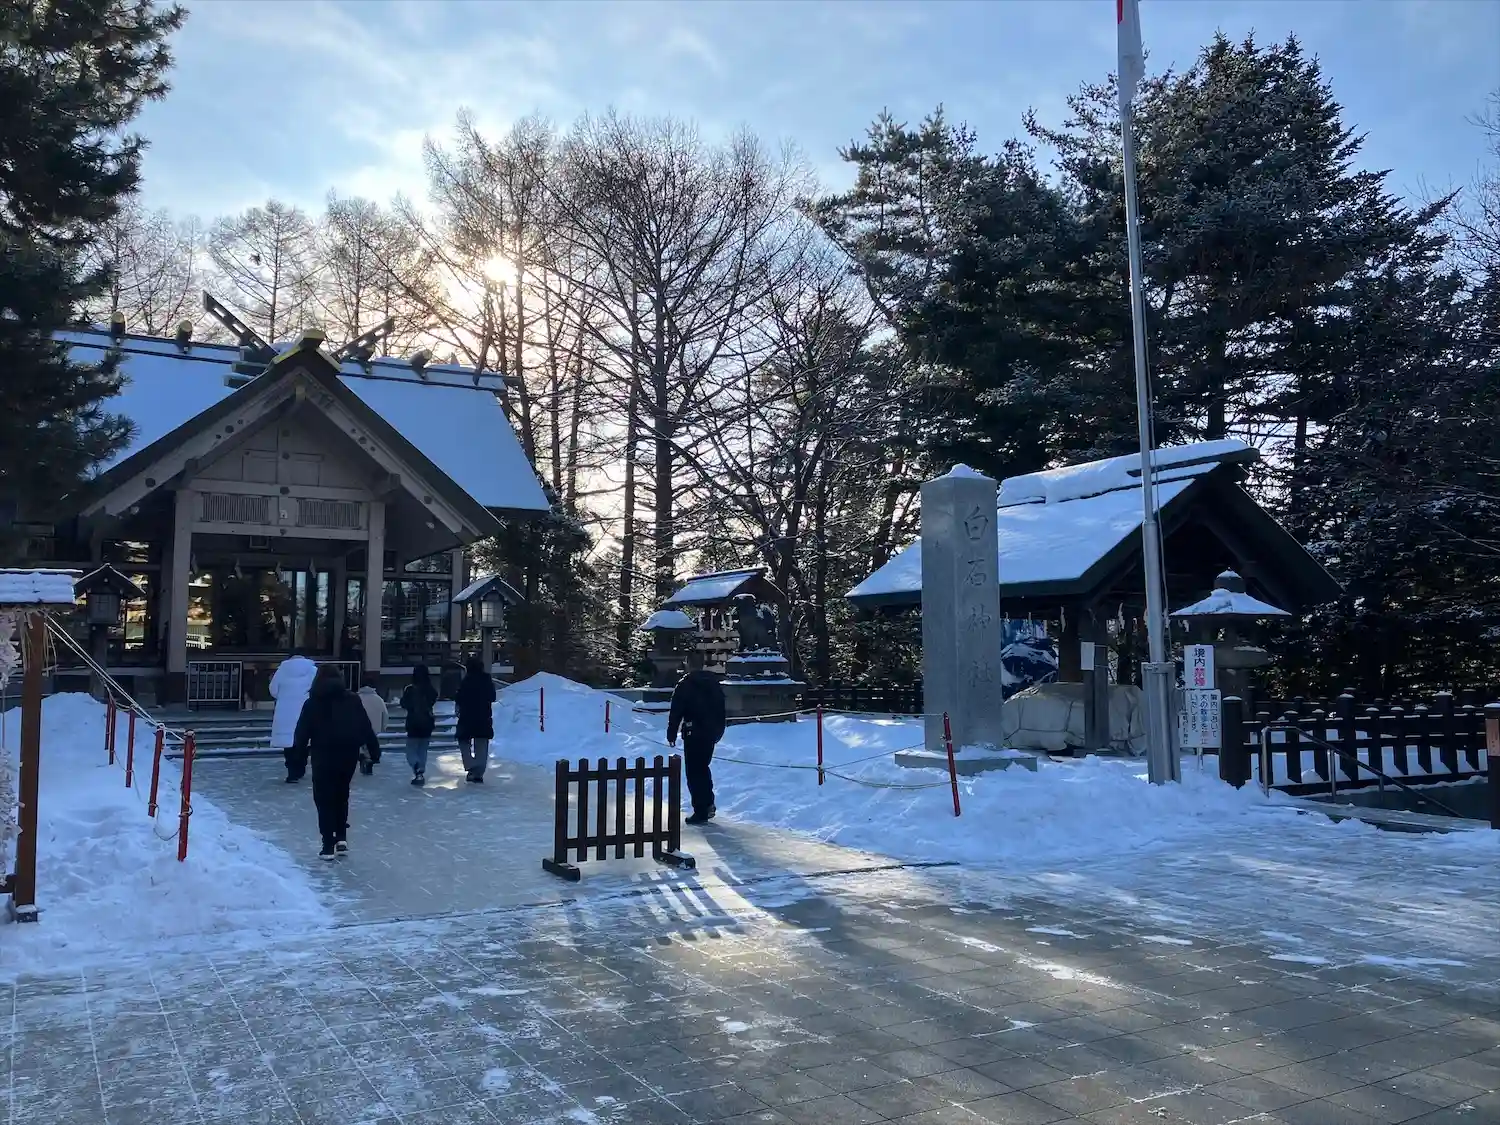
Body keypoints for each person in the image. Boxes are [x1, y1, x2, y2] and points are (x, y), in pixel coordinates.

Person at [291, 664, 380, 859]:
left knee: (324, 798)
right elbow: (365, 726)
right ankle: (341, 837)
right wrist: (374, 750)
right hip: (348, 753)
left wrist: (298, 758)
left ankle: (327, 844)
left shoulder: (313, 703)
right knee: (341, 794)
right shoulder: (352, 699)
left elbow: (302, 732)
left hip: (323, 755)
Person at [666, 650, 727, 825]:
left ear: (688, 663)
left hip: (693, 732)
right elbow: (721, 709)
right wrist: (718, 731)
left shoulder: (685, 684)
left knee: (694, 772)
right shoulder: (713, 683)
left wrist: (672, 732)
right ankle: (708, 802)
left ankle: (701, 809)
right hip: (710, 732)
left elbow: (676, 711)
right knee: (703, 768)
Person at [269, 650, 318, 783]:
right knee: (304, 740)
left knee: (288, 742)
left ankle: (292, 771)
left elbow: (273, 690)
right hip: (306, 708)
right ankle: (300, 767)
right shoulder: (312, 670)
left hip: (285, 710)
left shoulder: (282, 670)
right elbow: (317, 689)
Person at [454, 656, 496, 784]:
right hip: (483, 717)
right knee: (482, 744)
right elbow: (492, 697)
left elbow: (459, 697)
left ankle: (470, 765)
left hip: (467, 717)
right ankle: (479, 772)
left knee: (464, 742)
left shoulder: (466, 681)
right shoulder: (487, 680)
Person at [400, 664, 438, 787]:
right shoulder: (431, 689)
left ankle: (416, 766)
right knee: (423, 748)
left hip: (413, 723)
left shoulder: (410, 689)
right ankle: (420, 770)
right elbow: (433, 699)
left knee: (411, 749)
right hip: (427, 722)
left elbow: (403, 703)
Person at [356, 673, 387, 776]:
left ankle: (363, 758)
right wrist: (383, 727)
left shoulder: (356, 698)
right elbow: (385, 714)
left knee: (362, 745)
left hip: (359, 728)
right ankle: (369, 760)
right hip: (374, 728)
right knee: (371, 744)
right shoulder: (379, 699)